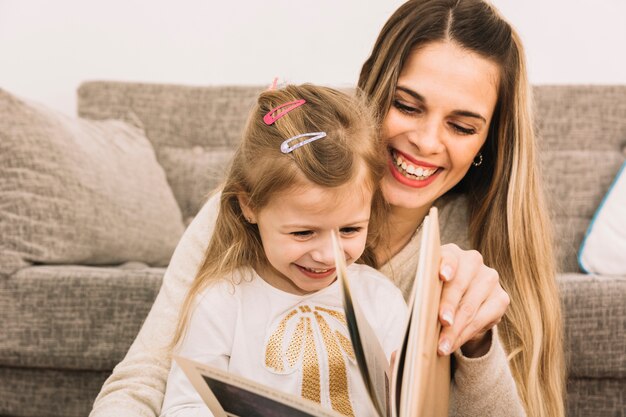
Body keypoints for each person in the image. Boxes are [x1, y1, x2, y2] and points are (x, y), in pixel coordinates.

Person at [90, 1, 564, 416]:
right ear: (374, 92)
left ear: (488, 141)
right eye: (407, 105)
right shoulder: (245, 215)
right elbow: (148, 378)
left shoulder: (481, 242)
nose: (425, 141)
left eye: (462, 126)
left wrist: (476, 345)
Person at [158, 83, 408, 417]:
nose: (328, 254)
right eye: (303, 233)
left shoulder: (381, 299)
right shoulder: (224, 301)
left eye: (349, 229)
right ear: (250, 207)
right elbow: (186, 404)